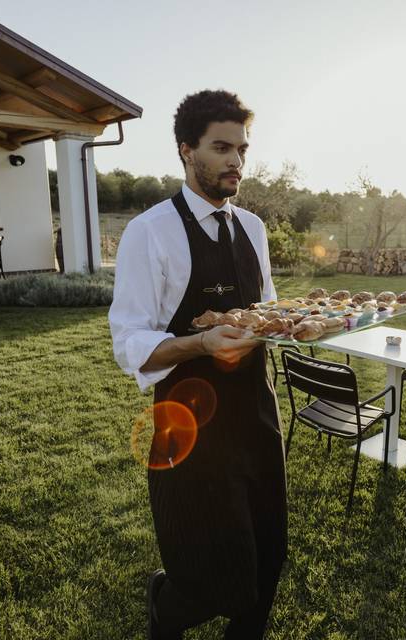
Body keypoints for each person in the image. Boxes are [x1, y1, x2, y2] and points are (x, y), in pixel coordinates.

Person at [109, 90, 286, 640]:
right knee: (214, 581)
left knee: (268, 560)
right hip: (188, 424)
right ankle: (167, 603)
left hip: (256, 413)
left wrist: (296, 325)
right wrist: (200, 343)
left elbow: (268, 312)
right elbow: (130, 342)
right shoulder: (150, 231)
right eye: (221, 148)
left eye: (243, 148)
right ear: (187, 151)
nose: (237, 161)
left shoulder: (253, 228)